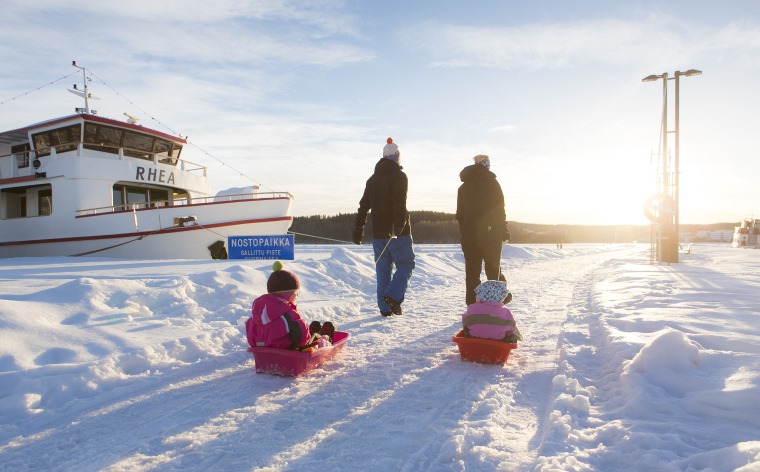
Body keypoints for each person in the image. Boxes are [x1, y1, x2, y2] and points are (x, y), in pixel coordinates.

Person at [353, 137, 415, 317]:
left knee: (383, 271)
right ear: (397, 157)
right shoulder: (400, 176)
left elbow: (363, 206)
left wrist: (359, 228)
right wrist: (399, 225)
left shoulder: (372, 179)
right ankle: (393, 296)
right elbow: (399, 202)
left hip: (378, 233)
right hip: (398, 233)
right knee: (406, 264)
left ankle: (385, 308)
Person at [456, 154, 511, 306]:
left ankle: (472, 308)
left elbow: (460, 215)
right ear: (487, 165)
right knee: (493, 271)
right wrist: (504, 230)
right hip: (491, 234)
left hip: (469, 236)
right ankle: (497, 305)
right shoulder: (493, 184)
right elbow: (500, 210)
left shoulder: (463, 187)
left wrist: (465, 232)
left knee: (472, 274)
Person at [245, 262, 311, 350]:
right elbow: (301, 339)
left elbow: (251, 334)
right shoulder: (288, 313)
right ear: (287, 293)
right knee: (315, 338)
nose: (296, 296)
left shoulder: (256, 312)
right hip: (287, 352)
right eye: (295, 293)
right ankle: (325, 339)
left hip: (261, 352)